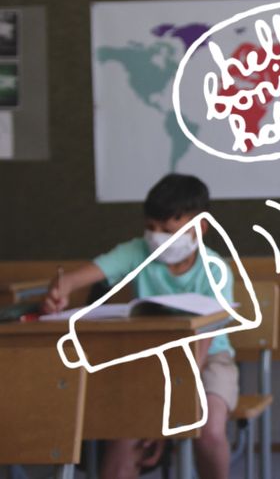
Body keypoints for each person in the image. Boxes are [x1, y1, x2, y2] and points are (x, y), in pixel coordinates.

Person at [43, 173, 237, 479]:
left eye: (167, 230)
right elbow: (78, 278)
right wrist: (60, 288)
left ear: (198, 227)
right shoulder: (136, 252)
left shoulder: (216, 270)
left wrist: (169, 404)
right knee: (125, 432)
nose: (156, 237)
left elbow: (205, 340)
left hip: (207, 360)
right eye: (151, 228)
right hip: (147, 360)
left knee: (209, 431)